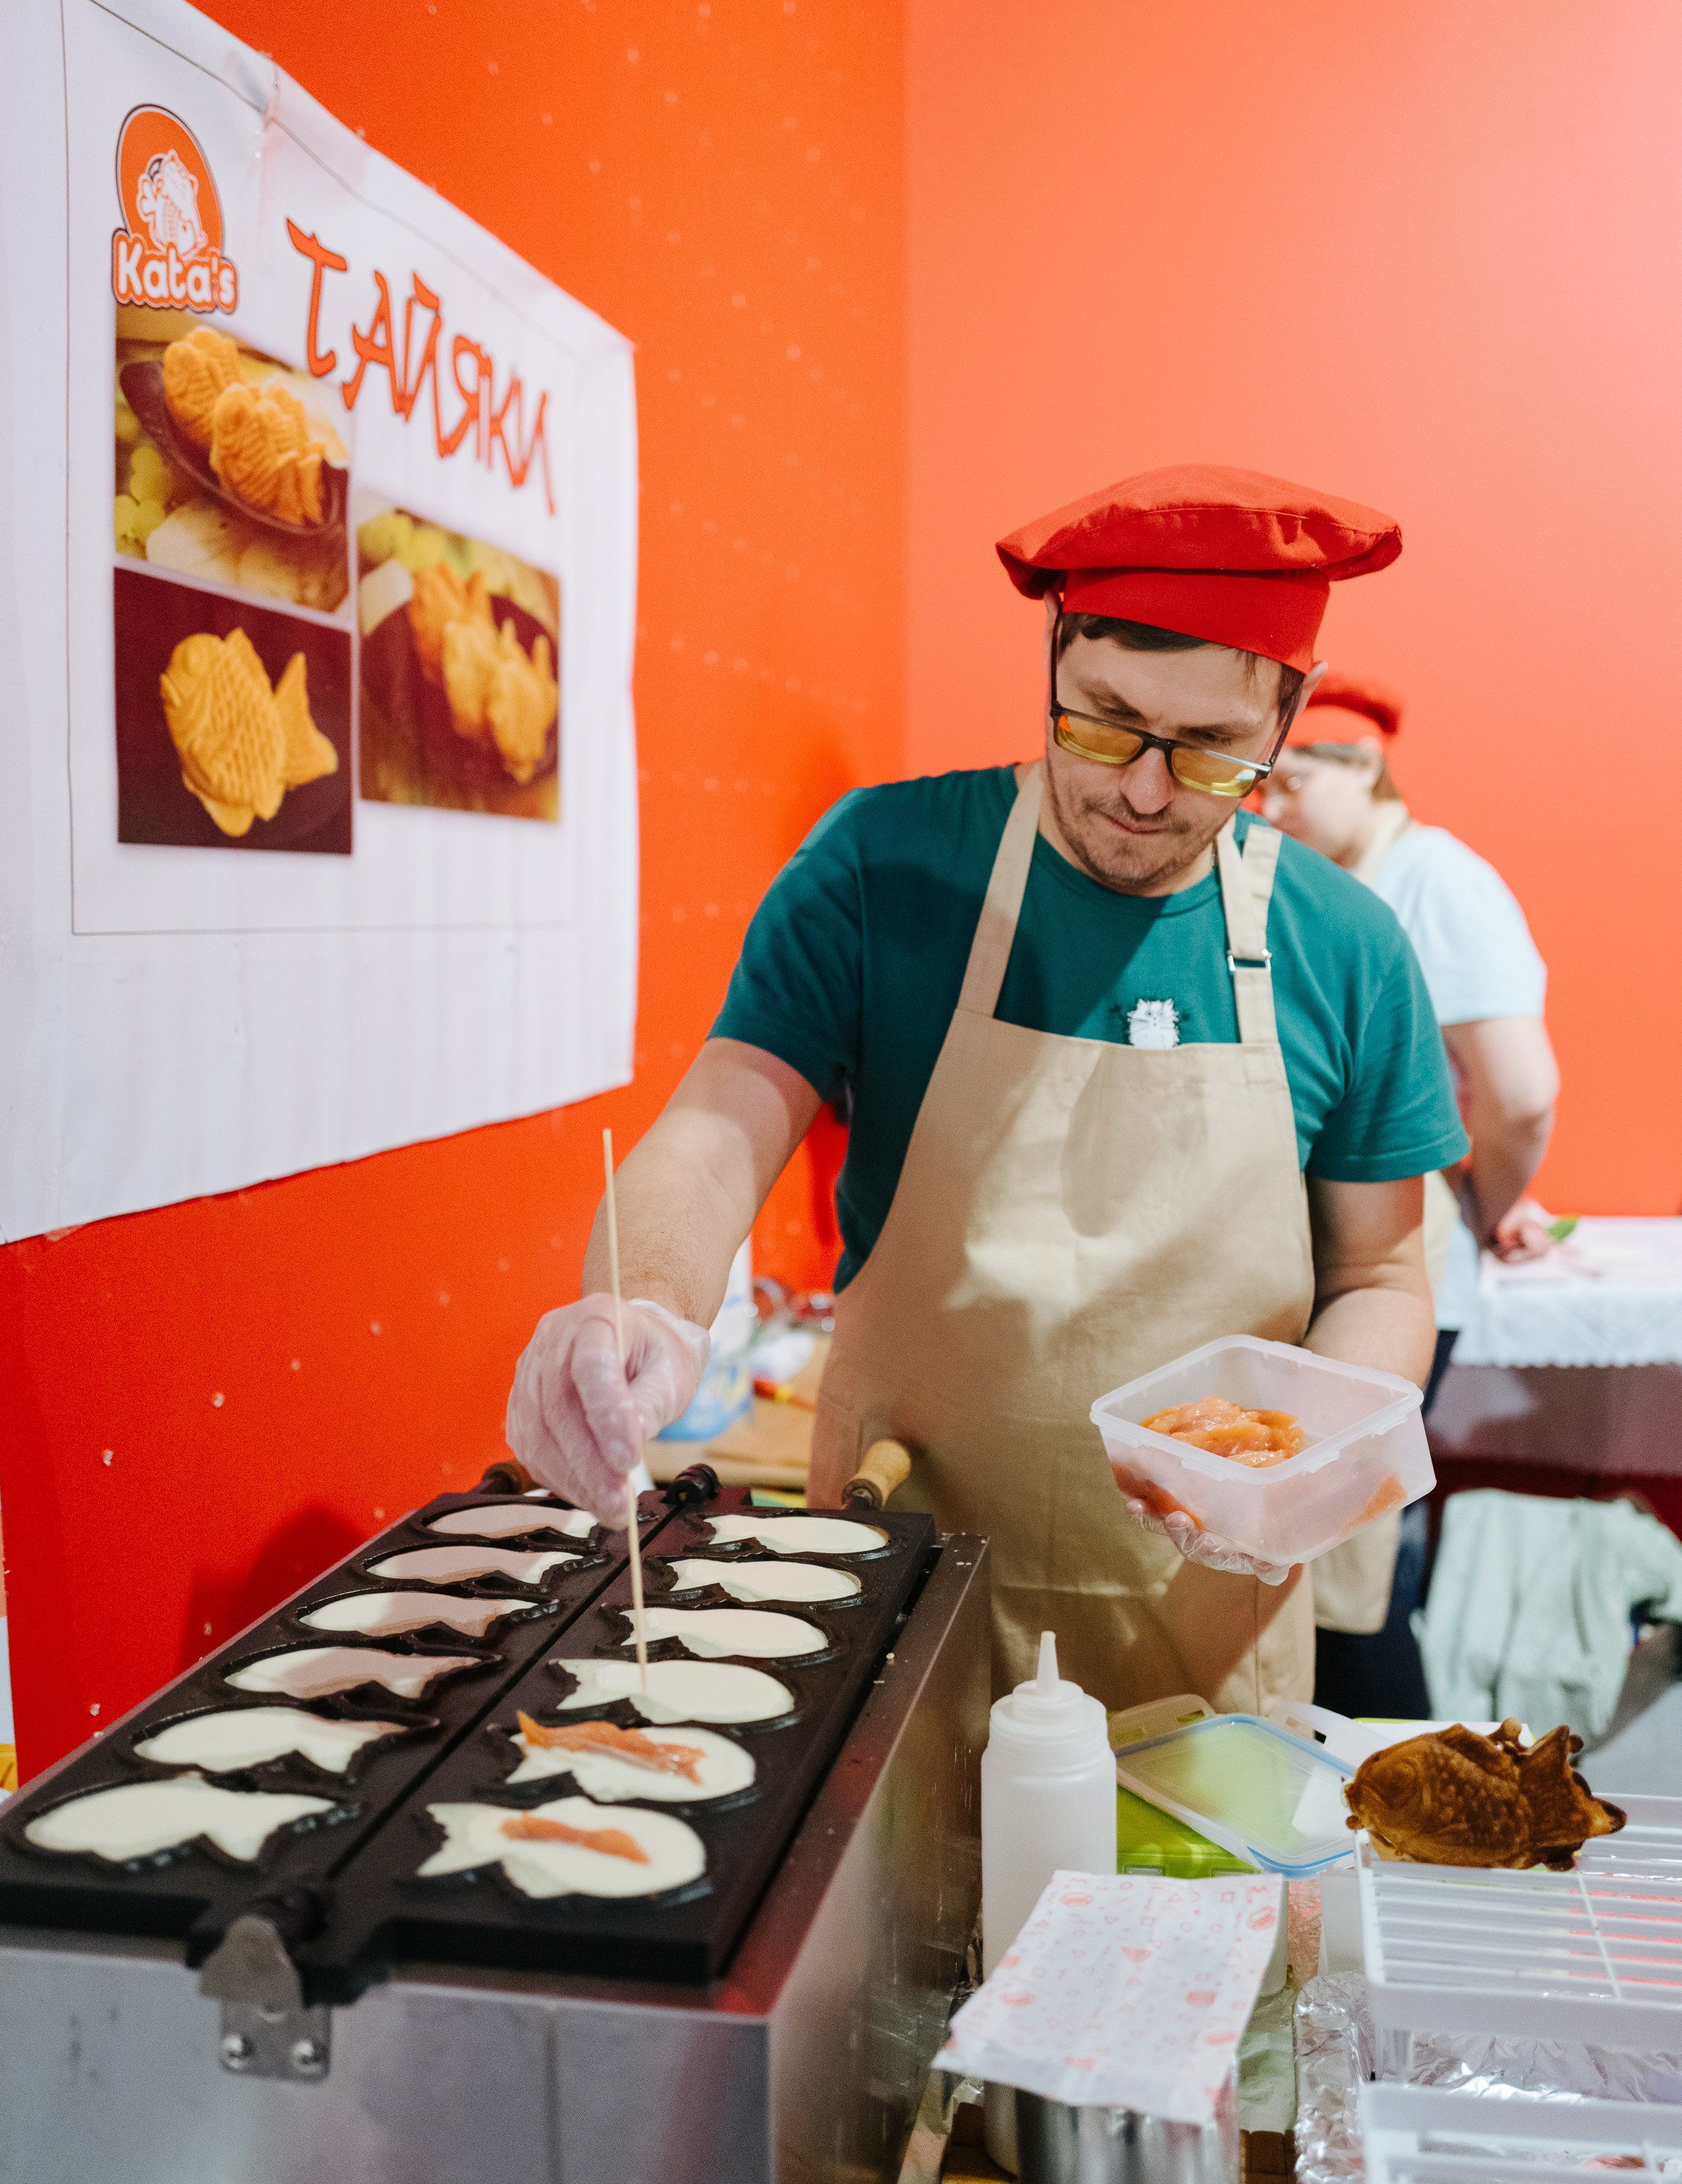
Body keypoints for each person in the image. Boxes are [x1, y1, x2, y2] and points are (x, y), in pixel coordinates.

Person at [508, 466, 1467, 1713]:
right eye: (1103, 720)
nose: (1141, 790)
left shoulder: (1345, 945)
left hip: (1201, 1636)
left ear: (1288, 717)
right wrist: (640, 1307)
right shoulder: (884, 868)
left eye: (1214, 753)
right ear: (1057, 653)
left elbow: (1384, 1278)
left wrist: (1300, 1460)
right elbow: (715, 1128)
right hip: (894, 1597)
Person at [1260, 676, 1559, 1715]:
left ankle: (1403, 1793)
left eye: (1292, 780)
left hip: (1403, 1247)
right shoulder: (1354, 879)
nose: (1270, 807)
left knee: (1346, 1556)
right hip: (1355, 1230)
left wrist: (1476, 1194)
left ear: (1362, 768)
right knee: (1332, 1548)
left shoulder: (1437, 881)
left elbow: (1521, 1092)